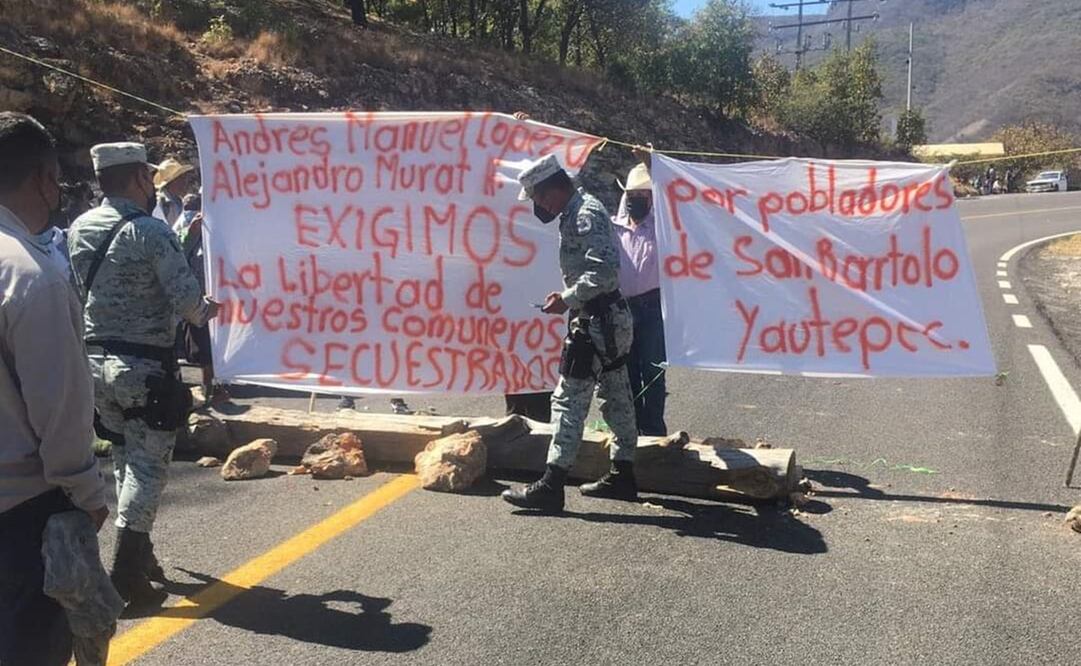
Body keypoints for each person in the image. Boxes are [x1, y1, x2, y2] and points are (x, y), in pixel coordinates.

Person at [68, 142, 219, 611]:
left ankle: (143, 554)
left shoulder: (79, 227)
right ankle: (126, 573)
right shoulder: (150, 231)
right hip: (145, 368)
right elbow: (189, 303)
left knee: (123, 459)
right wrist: (211, 308)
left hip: (95, 363)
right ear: (137, 179)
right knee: (148, 471)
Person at [0, 112, 109, 665]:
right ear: (44, 179)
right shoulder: (30, 277)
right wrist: (90, 496)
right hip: (22, 514)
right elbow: (61, 410)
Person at [501, 154, 639, 513]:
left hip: (596, 322)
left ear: (553, 189)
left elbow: (605, 274)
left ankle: (552, 483)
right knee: (617, 394)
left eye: (538, 197)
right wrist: (568, 298)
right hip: (607, 319)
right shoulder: (579, 211)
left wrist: (567, 299)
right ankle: (624, 472)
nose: (538, 206)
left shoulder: (584, 214)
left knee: (568, 400)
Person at [612, 154, 667, 436]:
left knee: (653, 372)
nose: (636, 199)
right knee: (628, 374)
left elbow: (674, 193)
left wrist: (649, 162)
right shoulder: (613, 227)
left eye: (643, 194)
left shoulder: (662, 227)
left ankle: (654, 430)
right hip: (622, 309)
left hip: (653, 307)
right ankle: (631, 432)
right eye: (632, 194)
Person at [151, 157, 196, 233]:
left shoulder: (180, 201)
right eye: (181, 178)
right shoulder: (160, 204)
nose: (185, 181)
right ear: (171, 182)